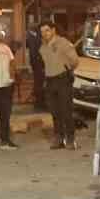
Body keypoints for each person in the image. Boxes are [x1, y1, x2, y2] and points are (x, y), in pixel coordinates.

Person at [39, 21, 80, 149]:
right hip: (50, 81)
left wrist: (67, 69)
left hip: (62, 79)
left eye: (47, 30)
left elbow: (75, 60)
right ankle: (58, 138)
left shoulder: (63, 43)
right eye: (42, 32)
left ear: (53, 30)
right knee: (54, 111)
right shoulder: (43, 47)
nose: (45, 34)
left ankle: (70, 139)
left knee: (66, 110)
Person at [26, 18, 45, 108]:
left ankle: (38, 100)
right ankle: (39, 102)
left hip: (37, 62)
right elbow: (34, 52)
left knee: (38, 82)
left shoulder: (34, 36)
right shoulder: (32, 37)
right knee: (39, 82)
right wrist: (38, 62)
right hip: (37, 63)